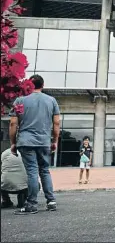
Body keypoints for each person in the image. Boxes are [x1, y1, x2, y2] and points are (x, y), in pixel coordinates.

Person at [9, 74, 60, 215]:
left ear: (29, 85)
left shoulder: (20, 100)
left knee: (32, 171)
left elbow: (13, 123)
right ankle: (51, 201)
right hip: (44, 141)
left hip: (26, 141)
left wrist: (13, 143)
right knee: (44, 170)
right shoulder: (51, 101)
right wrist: (54, 141)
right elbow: (56, 123)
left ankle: (31, 204)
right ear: (42, 85)